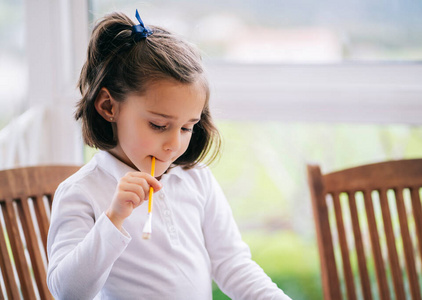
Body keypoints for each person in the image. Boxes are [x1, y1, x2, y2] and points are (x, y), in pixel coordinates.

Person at [47, 10, 291, 300]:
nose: (174, 145)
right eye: (159, 125)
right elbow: (67, 292)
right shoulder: (81, 192)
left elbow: (233, 265)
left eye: (187, 127)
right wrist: (113, 219)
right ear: (109, 107)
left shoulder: (196, 178)